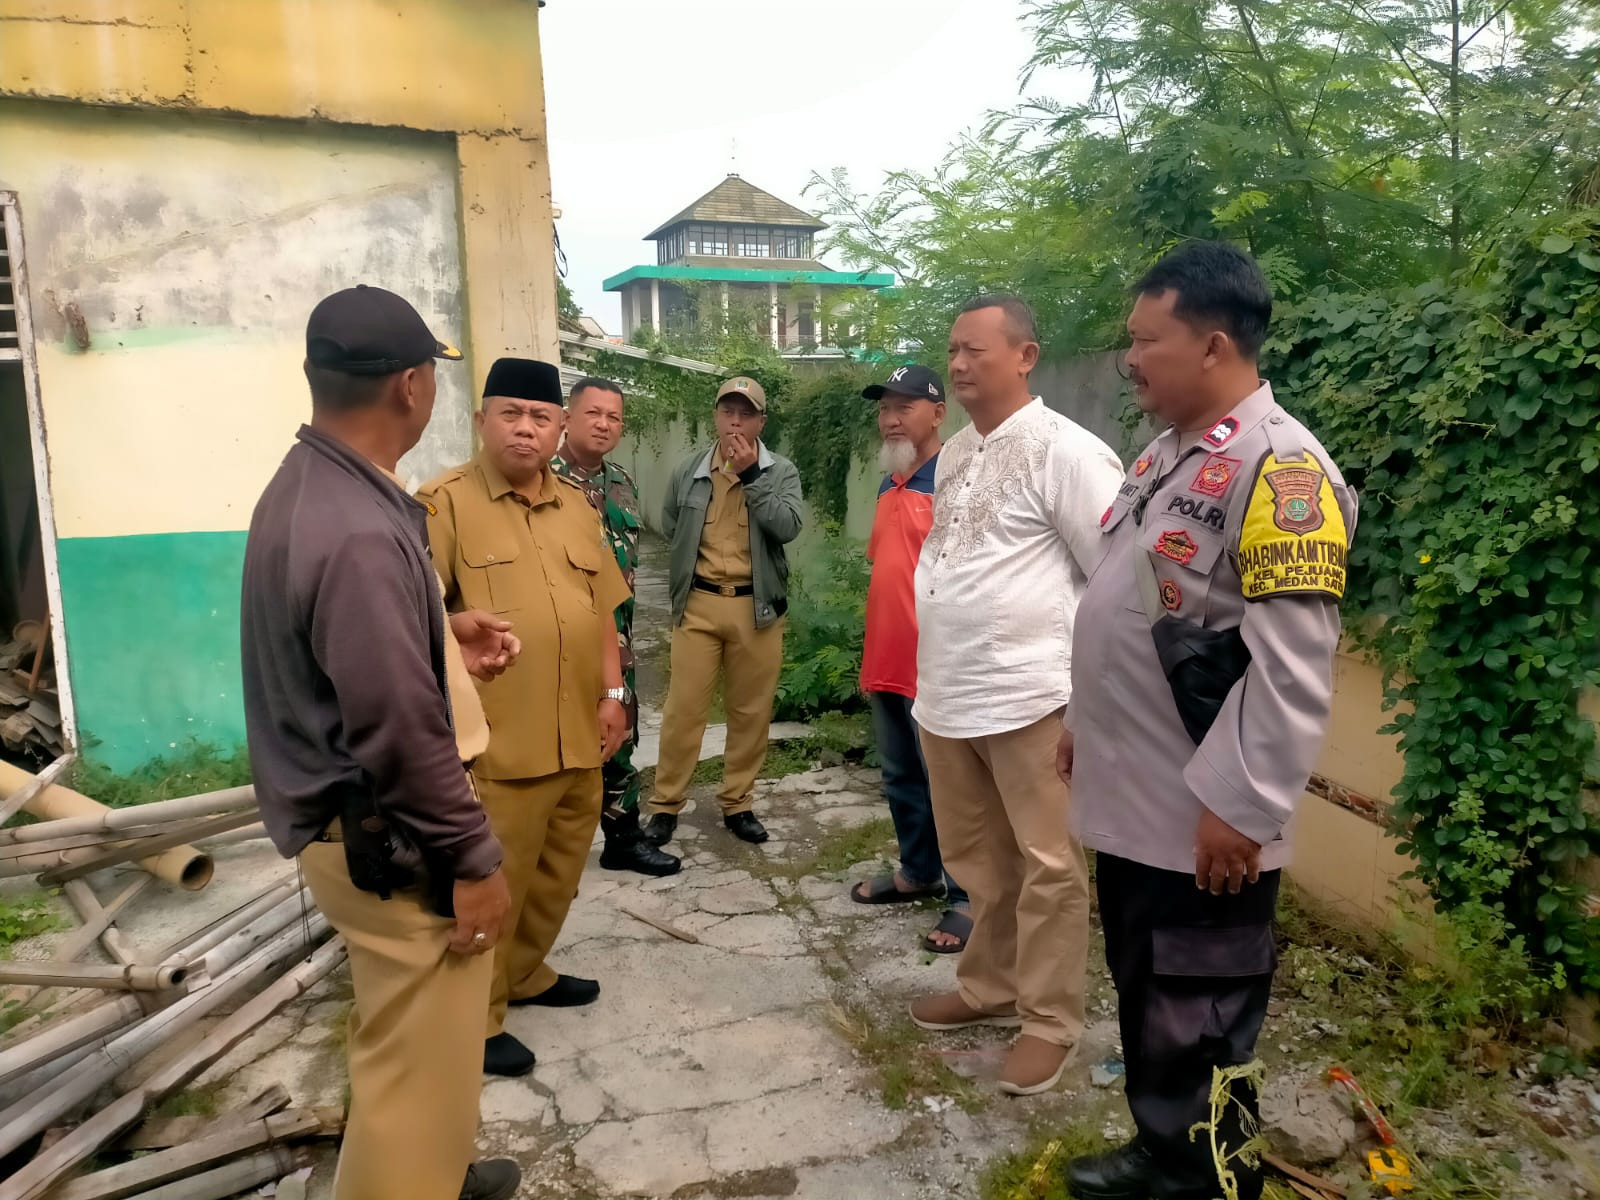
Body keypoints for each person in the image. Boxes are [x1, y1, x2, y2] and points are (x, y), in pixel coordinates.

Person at [1060, 242, 1356, 1200]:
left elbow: (1295, 666)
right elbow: (1131, 597)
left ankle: (1217, 1179)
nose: (1130, 357)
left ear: (1215, 344)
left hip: (1205, 819)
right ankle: (1162, 1154)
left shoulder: (1282, 470)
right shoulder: (1166, 454)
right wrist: (1085, 721)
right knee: (1154, 996)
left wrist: (1241, 802)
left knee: (1210, 1011)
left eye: (1147, 339)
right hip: (1139, 796)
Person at [241, 285, 520, 1200]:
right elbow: (397, 731)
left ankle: (436, 1173)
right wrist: (473, 860)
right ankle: (410, 1180)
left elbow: (354, 654)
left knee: (407, 1050)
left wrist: (444, 634)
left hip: (355, 828)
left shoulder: (314, 485)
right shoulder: (360, 529)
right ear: (410, 385)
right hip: (393, 840)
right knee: (416, 1077)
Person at [908, 294, 1122, 1097]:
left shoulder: (1068, 452)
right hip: (950, 695)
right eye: (952, 350)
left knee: (1048, 866)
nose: (959, 365)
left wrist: (1092, 702)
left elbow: (1116, 581)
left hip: (1033, 698)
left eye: (977, 351)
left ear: (1026, 356)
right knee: (978, 861)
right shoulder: (958, 452)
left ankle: (1049, 1021)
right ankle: (989, 987)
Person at [418, 358, 632, 1079]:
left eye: (540, 417)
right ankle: (476, 1019)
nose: (526, 428)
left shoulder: (578, 506)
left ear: (559, 427)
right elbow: (415, 620)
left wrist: (614, 697)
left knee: (558, 875)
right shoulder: (443, 504)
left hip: (579, 736)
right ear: (482, 421)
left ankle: (526, 974)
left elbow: (603, 610)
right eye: (510, 413)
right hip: (500, 746)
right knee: (494, 886)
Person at [643, 376, 803, 849]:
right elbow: (673, 524)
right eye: (727, 411)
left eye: (746, 413)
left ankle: (738, 802)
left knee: (750, 712)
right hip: (700, 604)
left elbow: (788, 527)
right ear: (715, 416)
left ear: (761, 422)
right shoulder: (690, 469)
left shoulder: (781, 471)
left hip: (757, 609)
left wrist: (753, 476)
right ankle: (665, 806)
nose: (735, 421)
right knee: (683, 711)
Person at [847, 363, 971, 954]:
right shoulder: (888, 485)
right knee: (900, 777)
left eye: (905, 406)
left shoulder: (956, 481)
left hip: (940, 666)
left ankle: (969, 897)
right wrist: (871, 661)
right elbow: (887, 577)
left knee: (953, 784)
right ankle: (919, 872)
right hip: (890, 663)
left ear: (938, 413)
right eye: (884, 407)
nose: (891, 418)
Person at [551, 377, 680, 878]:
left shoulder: (621, 481)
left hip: (618, 635)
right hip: (564, 637)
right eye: (593, 414)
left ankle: (623, 839)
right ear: (568, 417)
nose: (604, 425)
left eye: (614, 417)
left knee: (619, 736)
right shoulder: (545, 479)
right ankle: (547, 845)